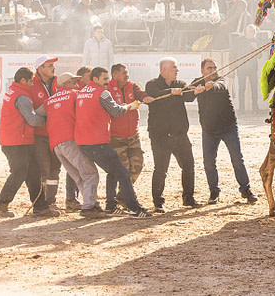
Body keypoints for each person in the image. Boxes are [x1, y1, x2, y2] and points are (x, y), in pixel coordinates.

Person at [75, 66, 152, 218]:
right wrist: (132, 106)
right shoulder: (102, 92)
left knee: (113, 171)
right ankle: (134, 209)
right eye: (104, 79)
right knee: (123, 172)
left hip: (83, 141)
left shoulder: (82, 92)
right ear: (95, 79)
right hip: (97, 142)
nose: (107, 82)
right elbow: (116, 111)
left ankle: (111, 206)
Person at [194, 57, 258, 205]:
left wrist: (211, 86)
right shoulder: (197, 82)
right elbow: (187, 95)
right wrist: (195, 92)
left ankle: (246, 190)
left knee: (237, 158)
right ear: (202, 70)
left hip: (228, 127)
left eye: (214, 68)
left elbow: (220, 87)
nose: (213, 71)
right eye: (209, 68)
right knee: (209, 162)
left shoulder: (220, 80)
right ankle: (214, 192)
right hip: (209, 129)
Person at [146, 57, 204, 212]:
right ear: (164, 70)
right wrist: (170, 92)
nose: (177, 70)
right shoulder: (152, 84)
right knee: (161, 169)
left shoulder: (180, 84)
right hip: (160, 136)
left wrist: (196, 92)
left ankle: (188, 198)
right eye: (174, 67)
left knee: (188, 165)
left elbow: (188, 96)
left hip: (180, 134)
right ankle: (158, 202)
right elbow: (155, 96)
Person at [0, 67, 53, 217]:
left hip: (14, 139)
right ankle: (1, 203)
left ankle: (40, 206)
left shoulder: (13, 91)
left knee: (33, 173)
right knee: (20, 173)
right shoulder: (22, 97)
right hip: (18, 141)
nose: (33, 83)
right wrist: (48, 119)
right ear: (23, 80)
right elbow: (32, 120)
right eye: (31, 80)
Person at [45, 72, 104, 218]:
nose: (77, 85)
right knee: (90, 173)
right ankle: (89, 207)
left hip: (56, 144)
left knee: (78, 176)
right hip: (70, 140)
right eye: (73, 82)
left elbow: (36, 115)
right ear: (66, 84)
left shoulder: (49, 100)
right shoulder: (74, 95)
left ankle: (90, 204)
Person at [28, 55, 63, 212]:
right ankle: (41, 205)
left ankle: (51, 201)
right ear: (39, 68)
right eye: (49, 65)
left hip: (56, 133)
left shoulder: (57, 83)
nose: (53, 67)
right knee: (44, 169)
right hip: (39, 134)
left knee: (55, 168)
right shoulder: (31, 84)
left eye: (53, 65)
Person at [107, 63, 150, 187]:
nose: (127, 75)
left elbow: (140, 94)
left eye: (127, 72)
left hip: (133, 136)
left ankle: (124, 194)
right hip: (116, 137)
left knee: (138, 166)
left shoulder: (133, 86)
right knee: (123, 169)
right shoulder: (107, 89)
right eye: (124, 73)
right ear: (114, 75)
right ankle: (126, 195)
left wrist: (145, 97)